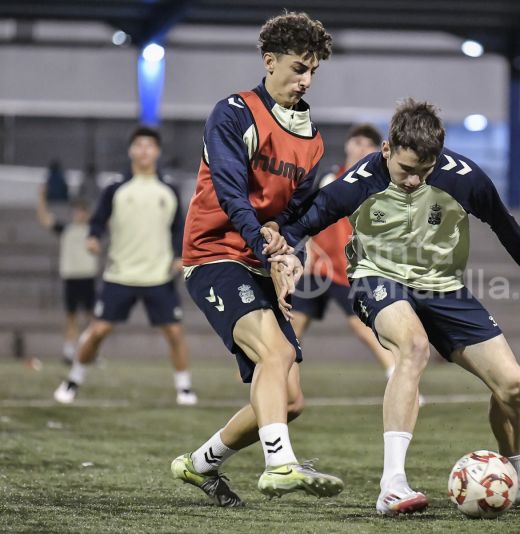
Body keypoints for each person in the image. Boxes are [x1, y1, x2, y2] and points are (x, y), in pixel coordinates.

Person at [279, 98, 520, 516]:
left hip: (443, 287)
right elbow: (304, 222)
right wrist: (287, 256)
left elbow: (504, 224)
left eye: (424, 171)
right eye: (405, 170)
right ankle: (392, 484)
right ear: (386, 150)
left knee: (515, 385)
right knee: (415, 348)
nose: (413, 181)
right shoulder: (359, 179)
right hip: (378, 278)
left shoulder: (464, 178)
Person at [169, 12, 343, 508]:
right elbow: (229, 188)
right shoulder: (234, 112)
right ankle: (279, 464)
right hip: (214, 255)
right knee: (278, 353)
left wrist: (287, 249)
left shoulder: (312, 138)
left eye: (311, 71)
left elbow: (295, 212)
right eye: (296, 67)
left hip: (258, 257)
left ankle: (199, 465)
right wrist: (263, 241)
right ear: (269, 62)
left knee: (290, 401)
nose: (304, 79)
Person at [53, 126, 197, 406]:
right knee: (97, 332)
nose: (144, 151)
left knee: (175, 332)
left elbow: (179, 227)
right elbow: (97, 221)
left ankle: (185, 388)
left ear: (157, 152)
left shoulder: (168, 190)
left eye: (149, 146)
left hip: (158, 276)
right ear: (131, 151)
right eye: (139, 145)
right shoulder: (115, 189)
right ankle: (73, 380)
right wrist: (94, 237)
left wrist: (180, 255)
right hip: (120, 274)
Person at [292, 124, 395, 377]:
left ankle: (399, 376)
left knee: (364, 328)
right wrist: (303, 250)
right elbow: (304, 214)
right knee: (293, 327)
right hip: (317, 266)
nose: (361, 147)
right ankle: (278, 379)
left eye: (368, 143)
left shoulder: (379, 187)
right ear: (348, 145)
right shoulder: (327, 177)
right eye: (357, 141)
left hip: (350, 269)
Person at [36, 189, 99, 364]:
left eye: (82, 211)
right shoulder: (67, 229)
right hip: (71, 278)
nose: (79, 214)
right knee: (71, 317)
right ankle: (69, 352)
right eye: (76, 211)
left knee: (92, 318)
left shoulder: (93, 231)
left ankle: (92, 352)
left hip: (87, 278)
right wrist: (41, 198)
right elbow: (44, 219)